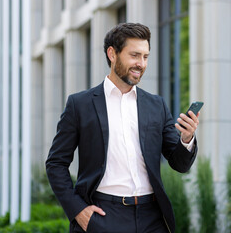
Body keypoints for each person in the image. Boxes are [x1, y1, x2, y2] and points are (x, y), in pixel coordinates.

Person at [46, 22, 199, 233]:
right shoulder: (80, 104)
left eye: (145, 57)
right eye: (134, 55)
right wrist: (77, 211)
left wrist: (187, 138)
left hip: (152, 219)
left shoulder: (156, 106)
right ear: (112, 54)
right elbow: (56, 163)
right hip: (103, 217)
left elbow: (179, 164)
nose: (141, 64)